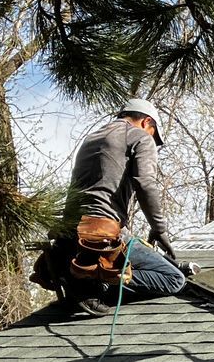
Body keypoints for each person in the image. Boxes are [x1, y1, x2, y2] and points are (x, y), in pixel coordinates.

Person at [48, 97, 188, 316]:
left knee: (159, 263)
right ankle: (96, 282)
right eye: (153, 133)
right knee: (173, 279)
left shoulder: (92, 138)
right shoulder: (139, 137)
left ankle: (79, 272)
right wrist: (159, 229)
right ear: (146, 122)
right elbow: (146, 184)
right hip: (102, 233)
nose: (152, 139)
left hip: (70, 234)